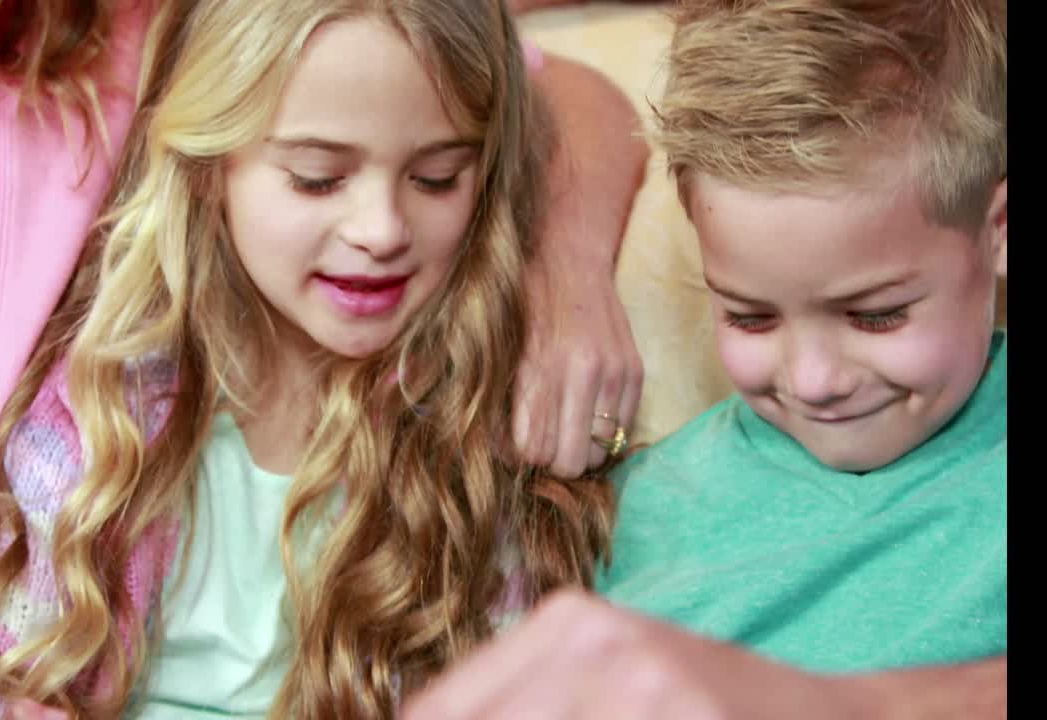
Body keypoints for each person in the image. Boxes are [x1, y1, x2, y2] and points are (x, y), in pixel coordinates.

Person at [0, 1, 647, 718]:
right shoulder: (107, 429)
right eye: (317, 178)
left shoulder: (125, 30)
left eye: (435, 180)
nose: (382, 229)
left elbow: (522, 86)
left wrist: (567, 278)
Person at [402, 0, 1008, 717]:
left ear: (997, 232)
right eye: (749, 317)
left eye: (876, 315)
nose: (814, 380)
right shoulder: (645, 500)